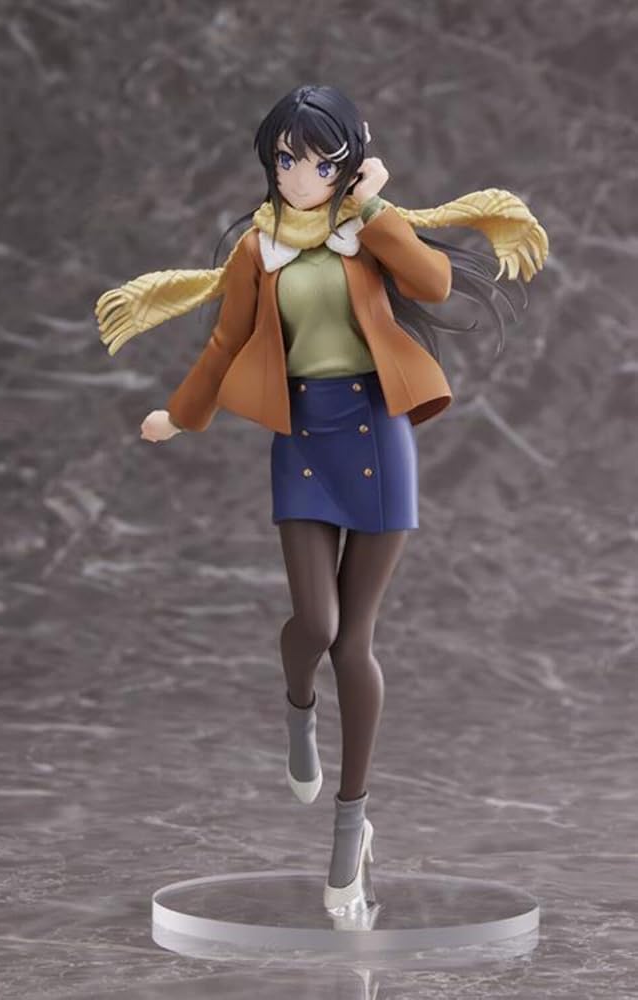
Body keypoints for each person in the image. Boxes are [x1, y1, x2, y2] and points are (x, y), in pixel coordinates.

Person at [95, 84, 548, 914]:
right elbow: (226, 339)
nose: (296, 175)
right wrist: (181, 414)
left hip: (376, 435)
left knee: (355, 643)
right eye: (283, 158)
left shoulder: (367, 230)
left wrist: (372, 207)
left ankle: (350, 823)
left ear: (347, 164)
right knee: (316, 624)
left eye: (316, 162)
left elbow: (433, 284)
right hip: (302, 439)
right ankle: (297, 706)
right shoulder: (258, 249)